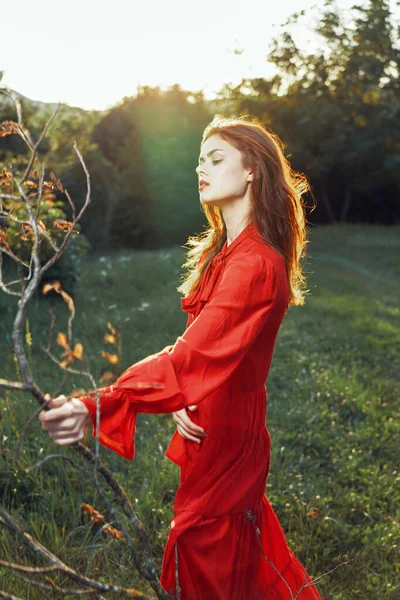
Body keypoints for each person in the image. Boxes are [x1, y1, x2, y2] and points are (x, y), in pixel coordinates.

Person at [40, 114, 322, 600]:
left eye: (216, 159)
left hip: (229, 431)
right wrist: (181, 397)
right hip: (209, 417)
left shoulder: (255, 264)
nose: (201, 169)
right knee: (227, 552)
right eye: (199, 160)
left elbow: (188, 361)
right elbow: (200, 352)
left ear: (252, 168)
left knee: (205, 549)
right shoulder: (226, 252)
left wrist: (95, 405)